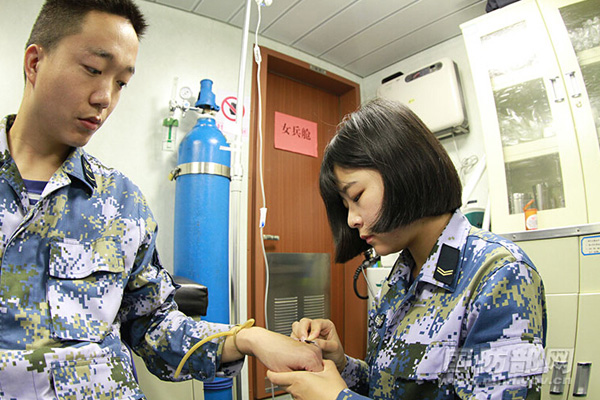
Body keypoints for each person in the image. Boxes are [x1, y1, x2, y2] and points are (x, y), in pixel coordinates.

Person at [0, 1, 322, 398]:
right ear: (35, 62)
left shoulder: (120, 202)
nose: (105, 98)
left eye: (121, 83)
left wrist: (247, 338)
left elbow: (151, 323)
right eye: (93, 69)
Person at [267, 98, 547, 400]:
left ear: (404, 172)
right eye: (345, 206)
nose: (351, 219)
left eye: (357, 195)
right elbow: (389, 387)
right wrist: (341, 365)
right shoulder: (401, 276)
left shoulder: (500, 276)